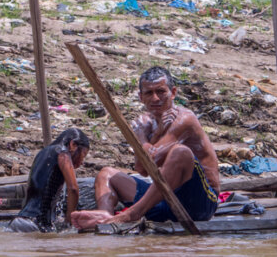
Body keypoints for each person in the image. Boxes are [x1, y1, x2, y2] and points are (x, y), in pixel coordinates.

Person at [70, 67, 219, 230]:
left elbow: (151, 161)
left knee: (181, 152)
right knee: (107, 174)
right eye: (149, 93)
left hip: (199, 203)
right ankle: (106, 218)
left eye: (161, 92)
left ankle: (131, 214)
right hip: (166, 199)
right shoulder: (147, 121)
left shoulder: (184, 118)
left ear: (173, 93)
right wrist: (155, 134)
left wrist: (141, 137)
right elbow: (142, 169)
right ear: (141, 97)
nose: (155, 98)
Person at [10, 128, 90, 233]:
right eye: (83, 155)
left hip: (21, 220)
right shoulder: (63, 154)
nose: (82, 162)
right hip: (33, 225)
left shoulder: (43, 152)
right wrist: (69, 222)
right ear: (73, 145)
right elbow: (73, 189)